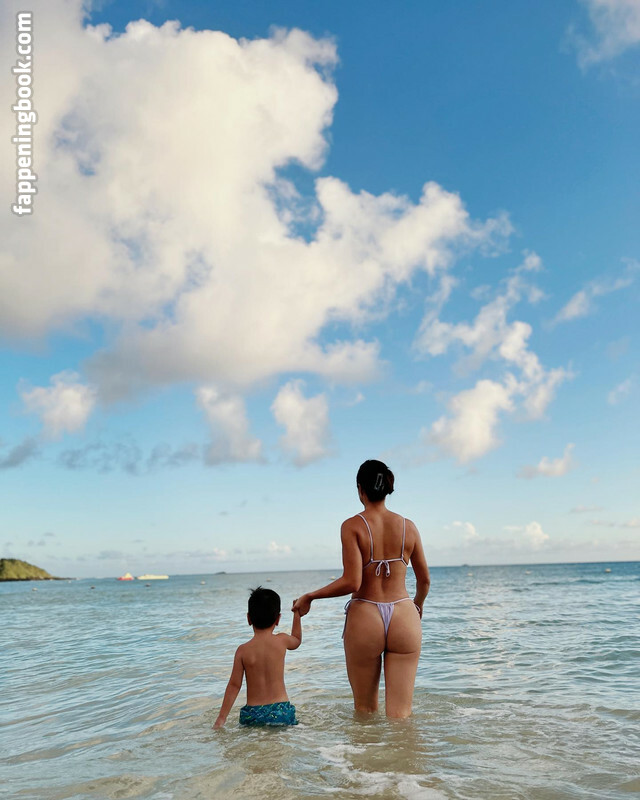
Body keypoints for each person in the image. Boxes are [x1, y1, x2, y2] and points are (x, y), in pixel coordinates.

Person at [292, 459, 430, 718]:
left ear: (360, 489)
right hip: (404, 616)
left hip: (366, 615)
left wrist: (311, 596)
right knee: (401, 716)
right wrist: (418, 605)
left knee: (365, 712)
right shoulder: (408, 527)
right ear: (387, 487)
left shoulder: (352, 526)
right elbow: (424, 581)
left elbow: (352, 582)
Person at [214, 586, 302, 728]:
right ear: (278, 619)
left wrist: (221, 717)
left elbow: (234, 685)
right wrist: (297, 614)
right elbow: (297, 640)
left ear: (249, 618)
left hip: (253, 714)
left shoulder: (242, 650)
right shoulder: (282, 640)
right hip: (281, 711)